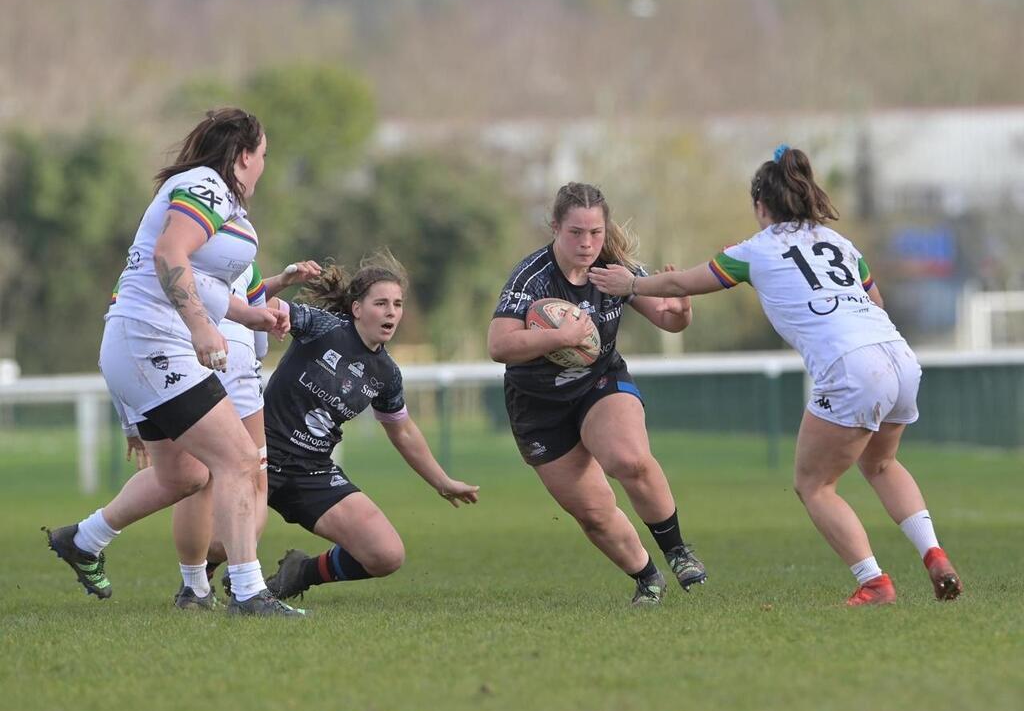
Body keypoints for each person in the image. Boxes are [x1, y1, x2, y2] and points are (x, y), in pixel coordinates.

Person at [589, 145, 963, 606]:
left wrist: (631, 285)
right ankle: (934, 554)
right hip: (899, 356)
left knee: (814, 485)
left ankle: (875, 583)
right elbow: (876, 303)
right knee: (881, 464)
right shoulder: (842, 245)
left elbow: (683, 283)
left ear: (761, 206)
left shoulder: (754, 251)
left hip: (853, 365)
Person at [44, 108, 305, 617]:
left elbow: (197, 278)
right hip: (152, 342)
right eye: (265, 155)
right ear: (244, 154)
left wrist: (246, 314)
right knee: (237, 460)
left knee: (184, 476)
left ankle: (84, 539)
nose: (265, 166)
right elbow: (169, 255)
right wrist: (203, 327)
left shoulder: (215, 196)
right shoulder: (206, 184)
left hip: (137, 343)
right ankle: (250, 594)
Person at [487, 182, 706, 606]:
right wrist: (559, 337)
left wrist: (680, 311)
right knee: (593, 513)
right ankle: (647, 576)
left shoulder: (614, 268)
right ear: (554, 227)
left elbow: (668, 319)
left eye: (595, 233)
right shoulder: (531, 278)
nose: (587, 243)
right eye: (576, 233)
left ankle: (678, 550)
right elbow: (499, 346)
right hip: (537, 406)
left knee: (629, 459)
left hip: (599, 381)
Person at [255, 249, 480, 601]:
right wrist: (280, 284)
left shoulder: (387, 374)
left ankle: (300, 573)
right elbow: (255, 301)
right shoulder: (322, 327)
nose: (391, 312)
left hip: (311, 472)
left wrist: (442, 481)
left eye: (397, 304)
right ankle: (196, 586)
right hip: (260, 456)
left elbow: (402, 430)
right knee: (223, 544)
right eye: (381, 303)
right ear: (357, 308)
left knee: (385, 554)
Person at [169, 258, 322, 609]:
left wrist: (281, 282)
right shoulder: (191, 251)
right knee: (242, 482)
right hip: (225, 369)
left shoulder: (193, 255)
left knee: (207, 482)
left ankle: (200, 585)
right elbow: (251, 324)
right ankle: (237, 581)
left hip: (205, 371)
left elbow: (243, 297)